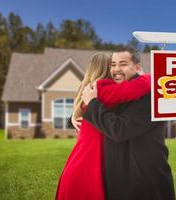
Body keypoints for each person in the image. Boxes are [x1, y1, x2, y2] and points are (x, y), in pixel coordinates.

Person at [81, 46, 175, 200]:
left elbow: (120, 130)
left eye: (123, 64)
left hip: (145, 180)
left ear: (136, 67)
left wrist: (92, 104)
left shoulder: (150, 95)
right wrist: (75, 115)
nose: (116, 69)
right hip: (121, 179)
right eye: (113, 64)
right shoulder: (118, 91)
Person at [55, 52, 152, 200]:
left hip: (78, 167)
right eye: (113, 65)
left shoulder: (89, 91)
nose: (117, 69)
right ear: (107, 69)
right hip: (87, 173)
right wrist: (146, 74)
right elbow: (140, 87)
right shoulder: (102, 90)